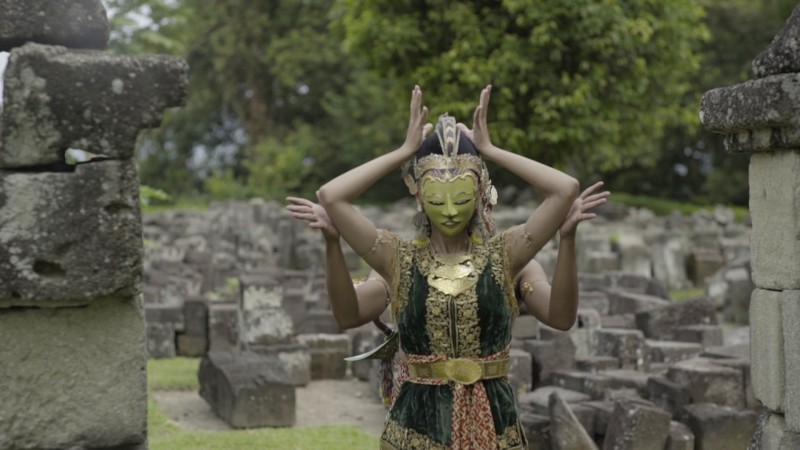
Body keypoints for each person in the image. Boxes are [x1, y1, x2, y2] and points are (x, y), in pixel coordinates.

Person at [312, 84, 589, 449]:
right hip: (416, 426)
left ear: (479, 194)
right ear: (418, 195)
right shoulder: (398, 260)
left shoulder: (505, 256)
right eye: (436, 199)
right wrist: (403, 152)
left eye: (461, 198)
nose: (450, 210)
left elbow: (565, 189)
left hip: (494, 424)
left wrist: (491, 151)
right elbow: (331, 197)